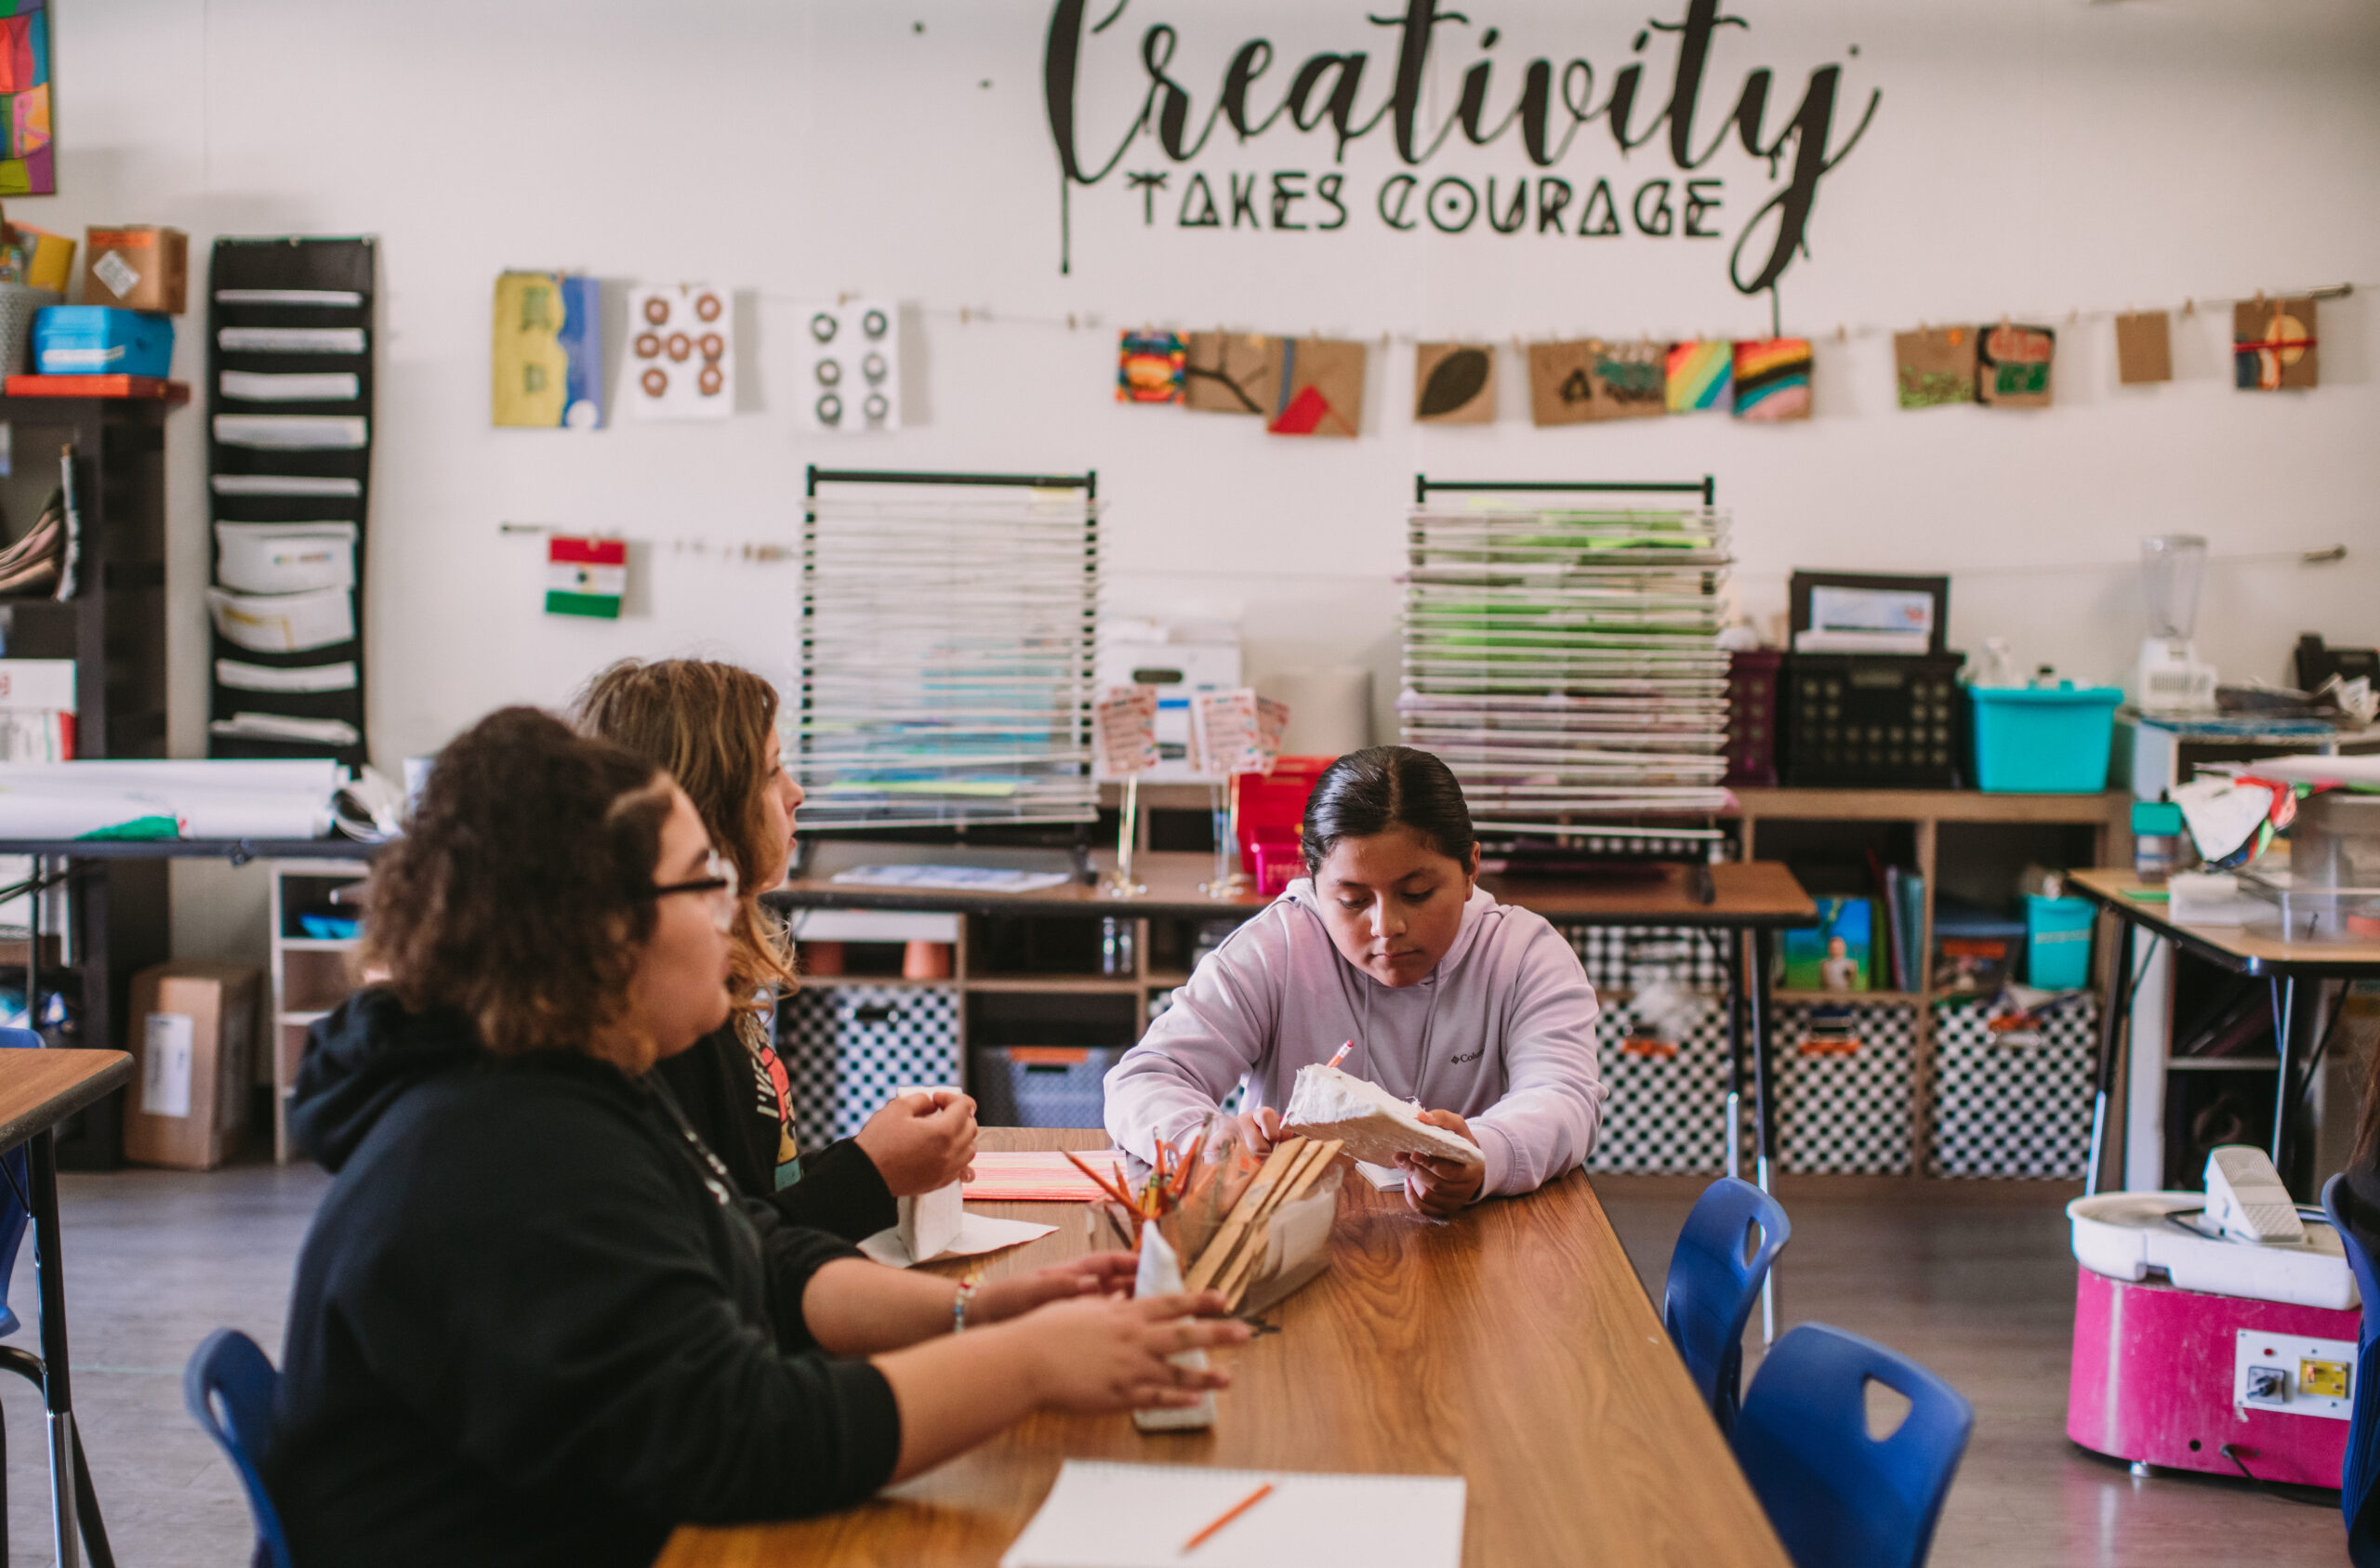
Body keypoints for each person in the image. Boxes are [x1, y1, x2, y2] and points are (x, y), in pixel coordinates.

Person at [272, 708, 1246, 1568]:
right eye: (703, 881)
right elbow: (744, 1440)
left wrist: (979, 1321)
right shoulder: (508, 1150)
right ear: (603, 932)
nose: (728, 907)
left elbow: (753, 1249)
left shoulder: (572, 1076)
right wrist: (1029, 1365)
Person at [1104, 745, 1606, 1219]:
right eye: (1353, 901)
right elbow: (1146, 1078)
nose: (1387, 927)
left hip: (1484, 1240)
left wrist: (1485, 1152)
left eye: (1418, 892)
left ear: (1471, 868)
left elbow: (1564, 1097)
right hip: (1298, 1236)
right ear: (1313, 881)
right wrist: (1208, 1139)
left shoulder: (1524, 954)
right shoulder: (1276, 946)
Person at [575, 657, 971, 1242]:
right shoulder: (668, 1024)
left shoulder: (713, 983)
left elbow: (757, 1192)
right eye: (771, 772)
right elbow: (732, 1254)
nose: (797, 793)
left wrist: (877, 1159)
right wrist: (871, 1173)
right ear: (705, 806)